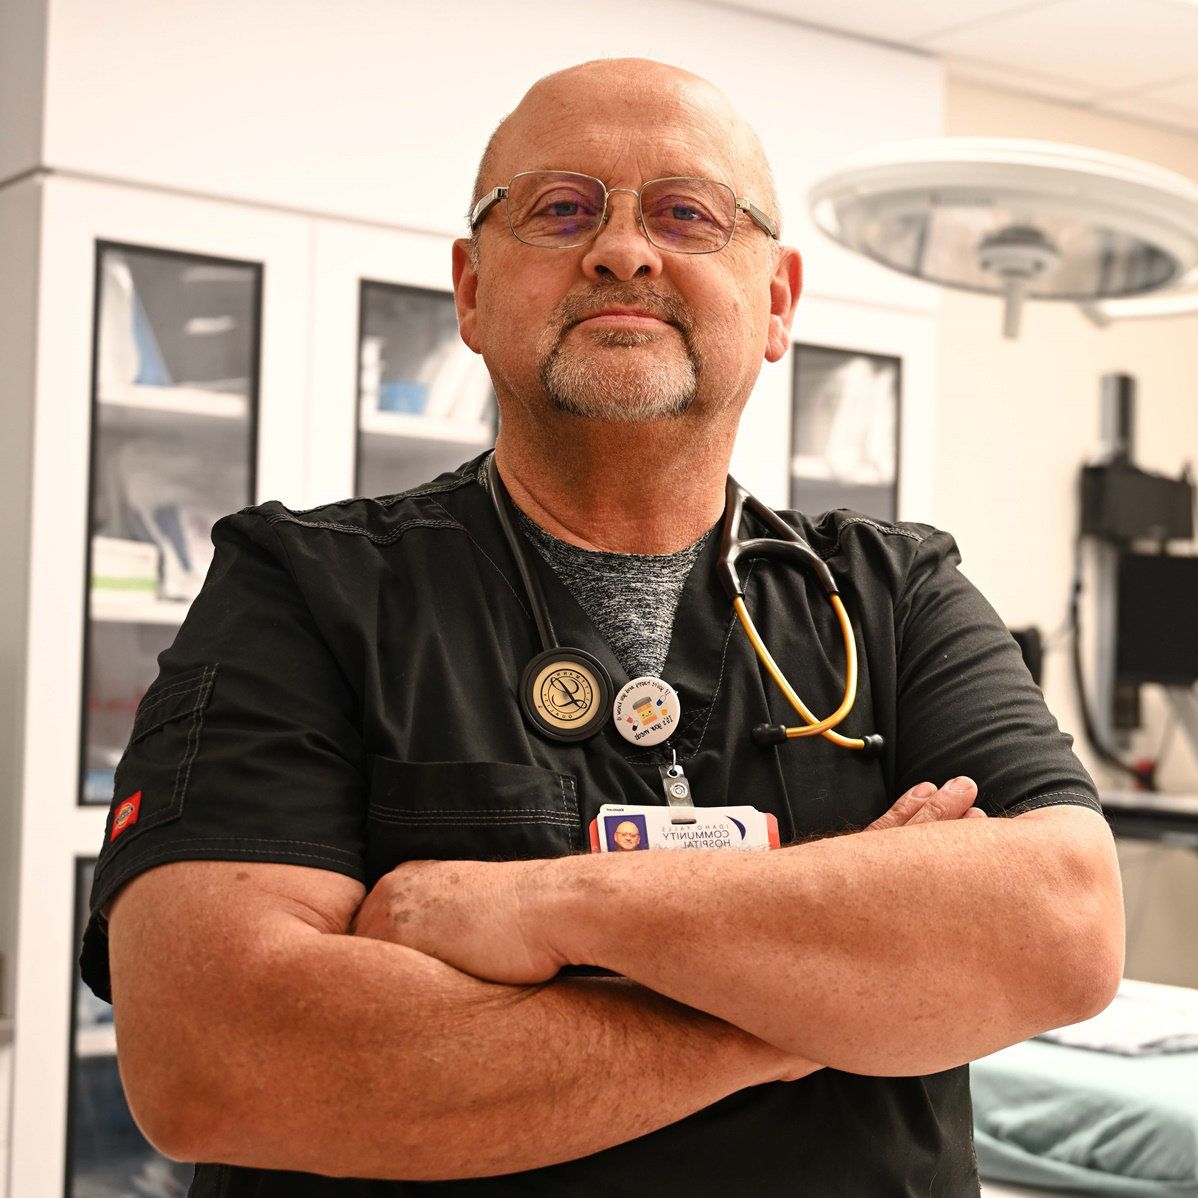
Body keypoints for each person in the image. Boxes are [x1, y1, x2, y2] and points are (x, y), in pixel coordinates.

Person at [80, 58, 1125, 1196]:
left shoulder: (894, 593)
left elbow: (1064, 927)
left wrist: (538, 905)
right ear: (470, 290)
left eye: (687, 214)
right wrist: (827, 1007)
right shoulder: (302, 589)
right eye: (562, 209)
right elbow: (218, 1060)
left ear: (777, 302)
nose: (623, 250)